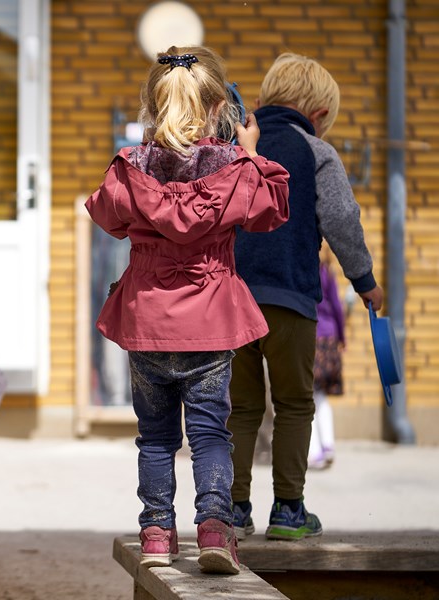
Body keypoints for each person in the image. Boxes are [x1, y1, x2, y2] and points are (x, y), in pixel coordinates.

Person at [84, 46, 290, 575]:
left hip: (148, 322)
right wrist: (250, 152)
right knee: (209, 434)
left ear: (151, 105)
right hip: (209, 320)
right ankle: (215, 529)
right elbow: (274, 208)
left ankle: (156, 535)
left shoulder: (131, 167)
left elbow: (105, 215)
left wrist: (143, 151)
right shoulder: (234, 169)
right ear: (219, 105)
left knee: (154, 437)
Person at [228, 52, 385, 542]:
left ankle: (231, 510)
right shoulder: (316, 153)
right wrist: (365, 281)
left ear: (263, 99)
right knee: (295, 403)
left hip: (230, 304)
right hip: (291, 301)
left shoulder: (235, 146)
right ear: (318, 116)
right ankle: (289, 510)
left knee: (240, 407)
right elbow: (342, 222)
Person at [309, 257, 343, 470]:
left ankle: (314, 452)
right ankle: (328, 444)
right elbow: (338, 307)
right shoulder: (327, 272)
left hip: (311, 339)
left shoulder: (305, 271)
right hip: (330, 340)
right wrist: (342, 338)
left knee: (306, 397)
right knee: (321, 395)